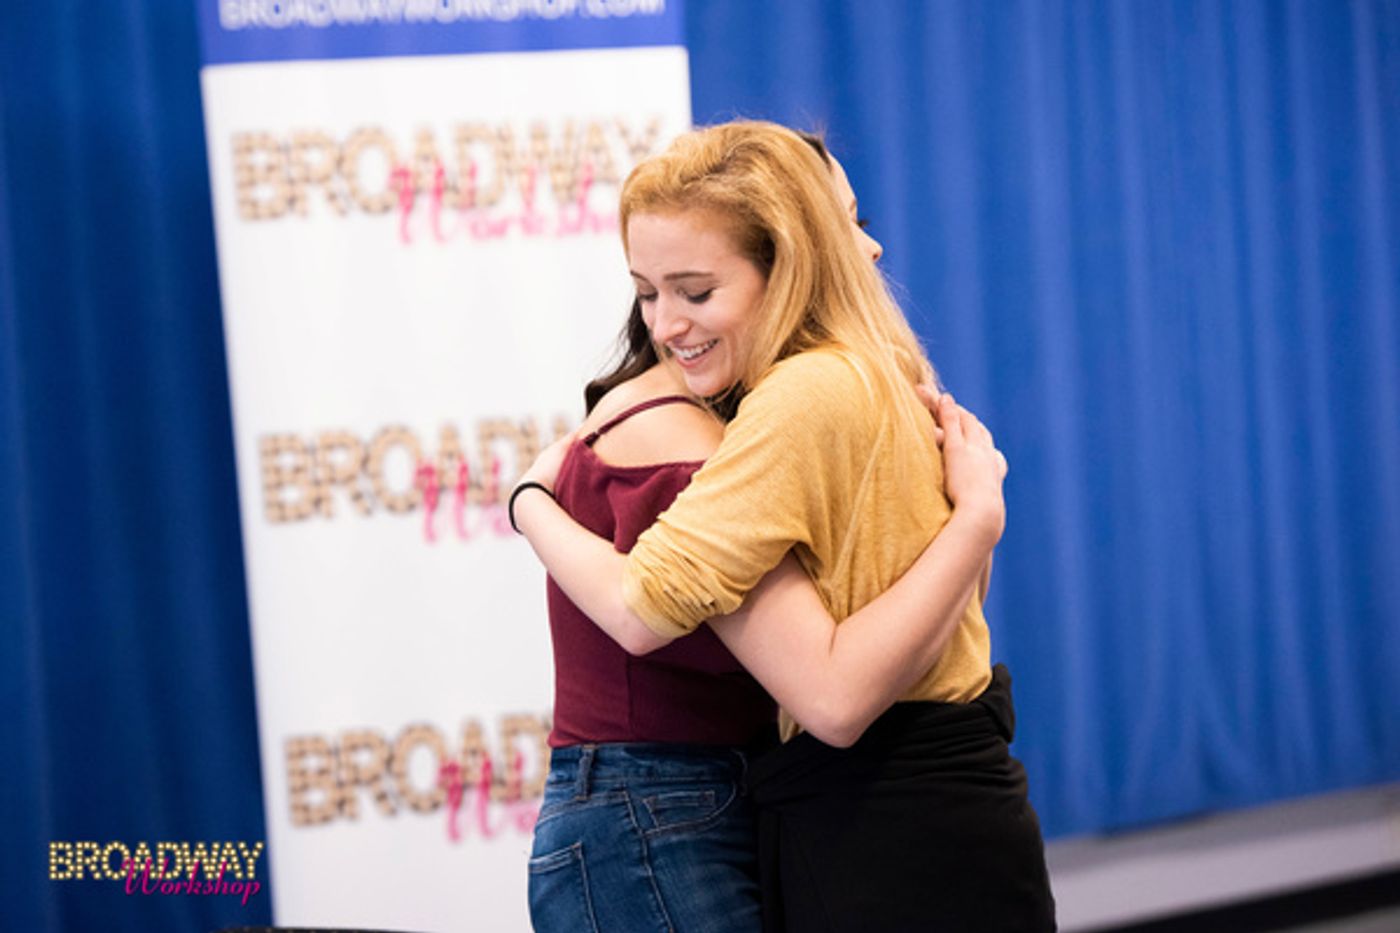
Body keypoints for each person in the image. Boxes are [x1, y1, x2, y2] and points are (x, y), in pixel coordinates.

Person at [515, 121, 1054, 932]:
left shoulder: (802, 397)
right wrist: (975, 522)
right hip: (755, 804)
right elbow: (938, 616)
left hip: (857, 806)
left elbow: (662, 618)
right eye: (649, 293)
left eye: (696, 292)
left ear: (788, 264)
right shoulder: (867, 381)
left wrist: (527, 500)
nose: (665, 324)